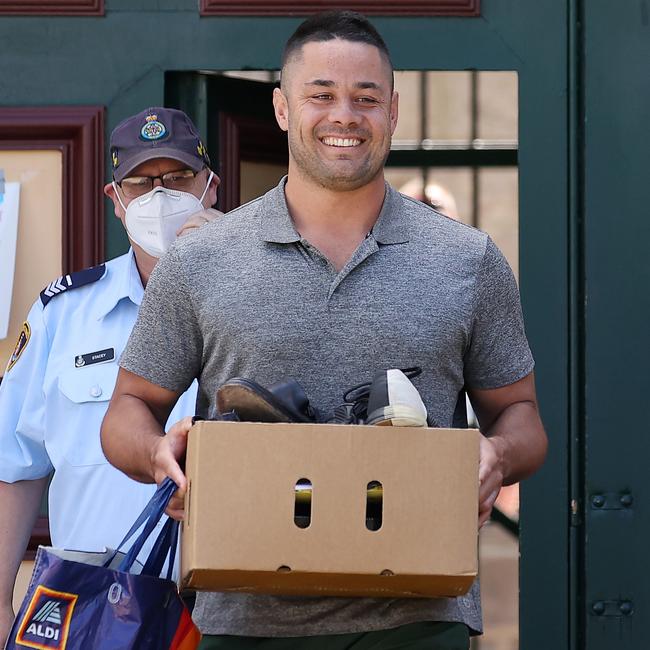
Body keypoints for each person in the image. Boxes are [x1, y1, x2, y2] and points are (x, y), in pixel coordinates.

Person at [101, 12, 547, 650]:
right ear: (282, 108)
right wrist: (156, 456)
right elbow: (128, 409)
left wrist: (496, 458)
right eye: (321, 95)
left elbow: (522, 417)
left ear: (393, 110)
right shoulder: (202, 260)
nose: (345, 115)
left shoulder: (468, 261)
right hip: (244, 619)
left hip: (419, 620)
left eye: (366, 98)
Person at [0, 106, 220, 647]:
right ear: (115, 201)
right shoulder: (64, 311)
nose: (160, 195)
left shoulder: (262, 298)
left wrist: (228, 266)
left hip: (231, 606)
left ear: (210, 188)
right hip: (94, 599)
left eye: (177, 178)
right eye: (142, 183)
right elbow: (15, 463)